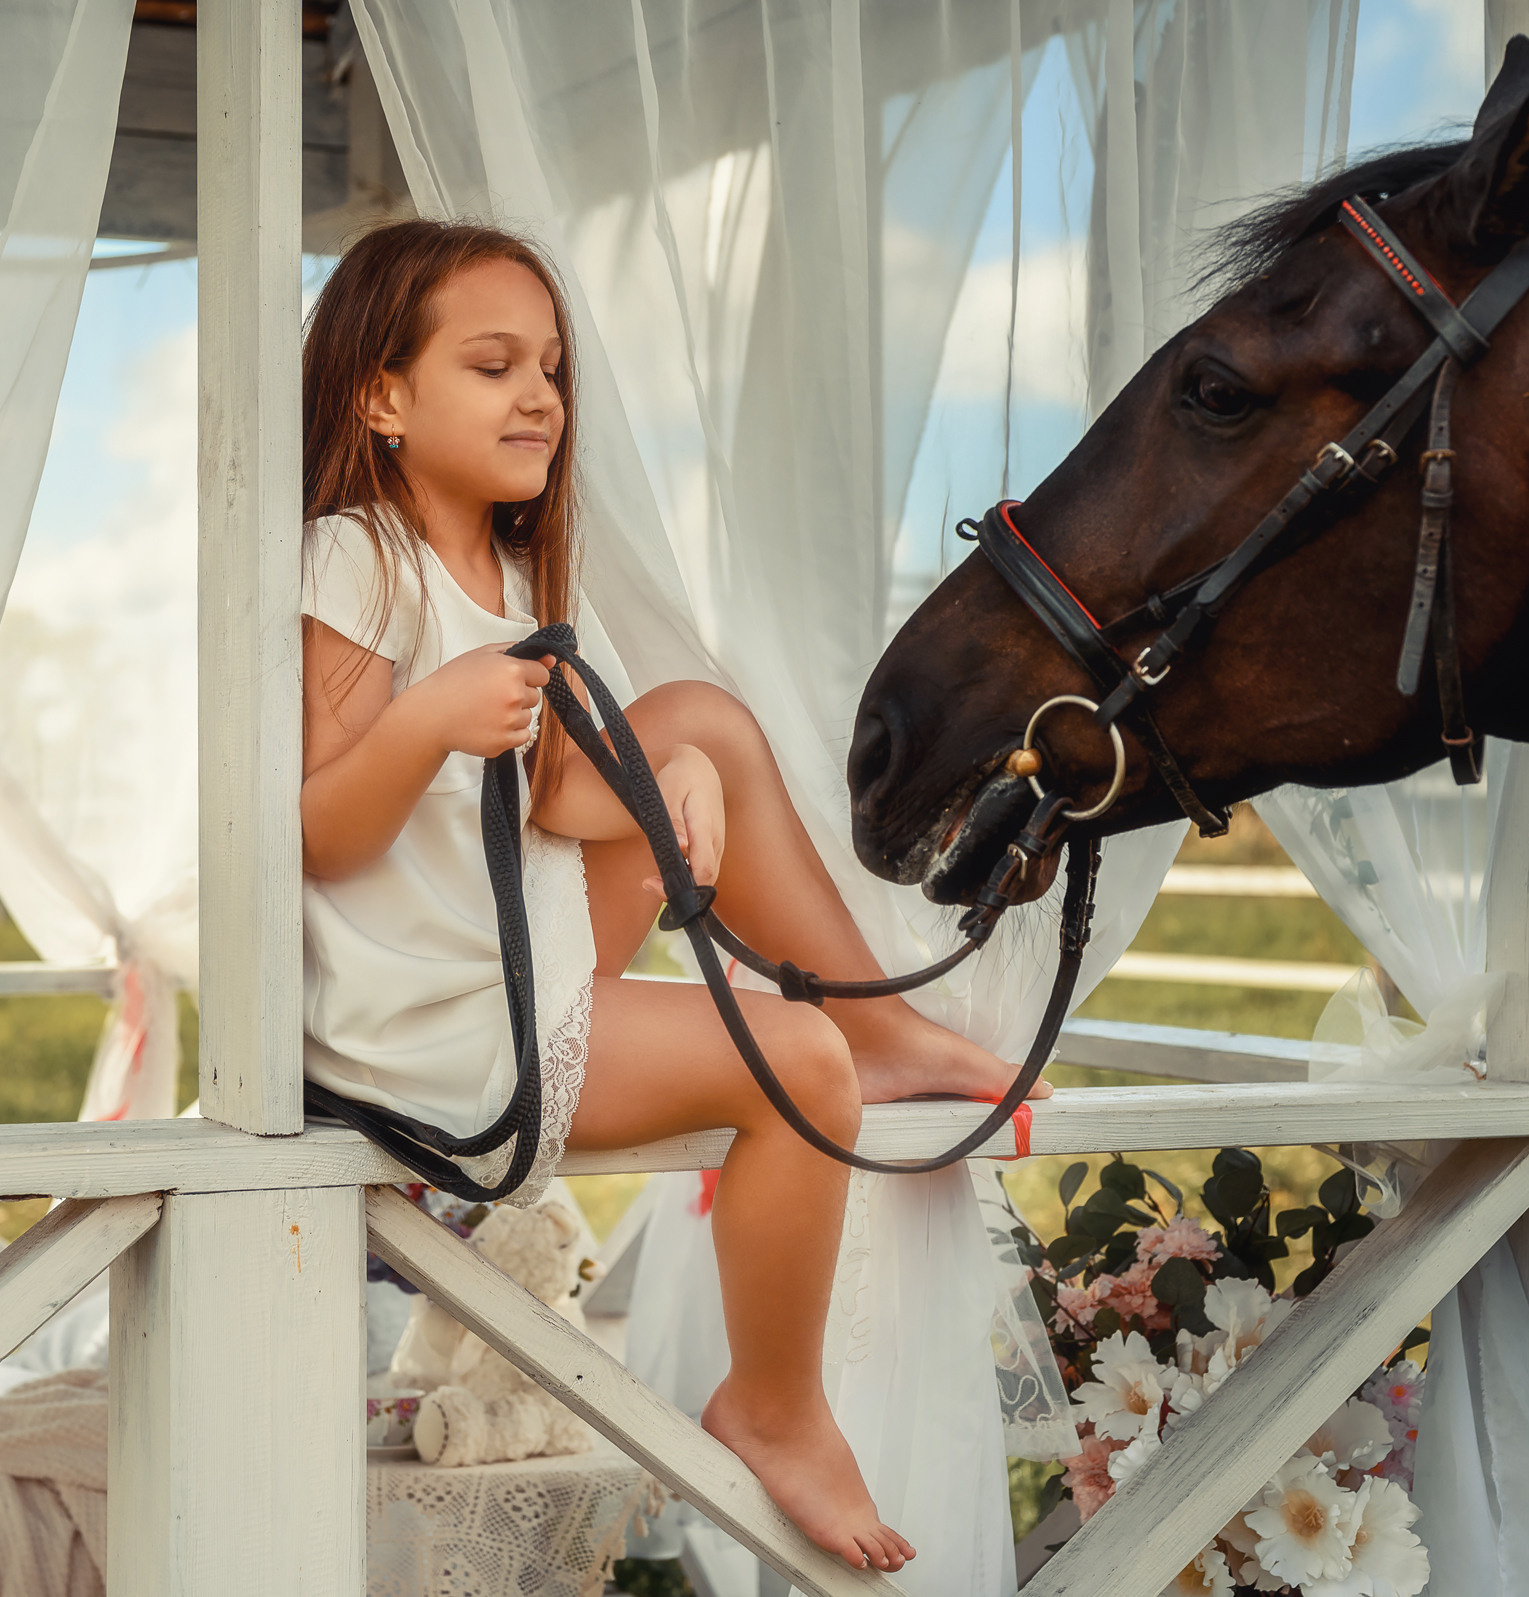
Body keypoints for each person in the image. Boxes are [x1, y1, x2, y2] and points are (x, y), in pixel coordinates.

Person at [298, 217, 1042, 1573]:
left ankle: (881, 1028)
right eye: (493, 364)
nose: (540, 396)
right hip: (438, 1027)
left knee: (703, 715)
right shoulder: (359, 557)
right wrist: (423, 723)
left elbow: (557, 797)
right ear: (383, 396)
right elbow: (317, 836)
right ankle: (774, 1401)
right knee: (793, 1063)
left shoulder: (515, 572)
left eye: (554, 367)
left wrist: (673, 778)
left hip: (503, 950)